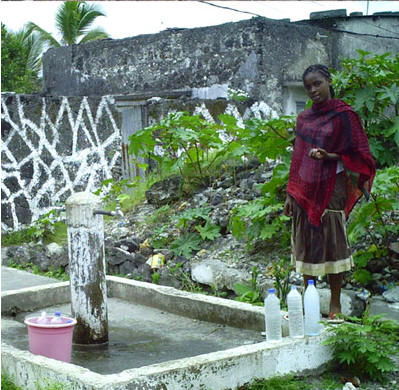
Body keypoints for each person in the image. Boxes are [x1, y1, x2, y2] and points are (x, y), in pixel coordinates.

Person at [283, 64, 376, 321]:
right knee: (307, 243)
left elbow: (359, 154)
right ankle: (307, 304)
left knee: (332, 241)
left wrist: (329, 156)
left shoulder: (344, 115)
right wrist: (291, 193)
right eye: (308, 87)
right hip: (304, 187)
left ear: (329, 81)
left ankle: (335, 304)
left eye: (317, 83)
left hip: (332, 186)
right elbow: (298, 157)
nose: (313, 90)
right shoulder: (304, 119)